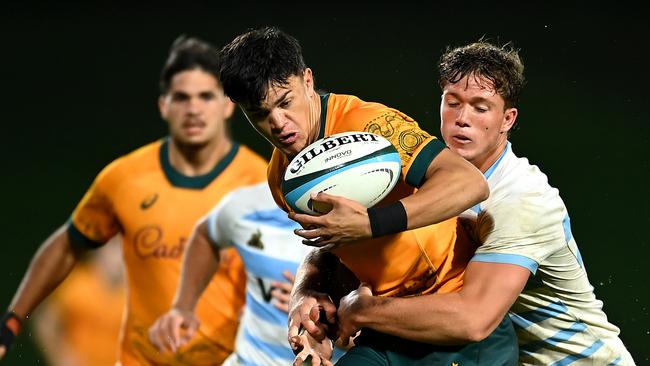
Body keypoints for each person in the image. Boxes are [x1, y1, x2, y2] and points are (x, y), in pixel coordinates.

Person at [218, 27, 518, 365]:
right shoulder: (282, 179)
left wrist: (371, 223)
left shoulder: (369, 125)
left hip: (448, 318)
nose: (278, 123)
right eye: (259, 113)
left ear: (307, 80)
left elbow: (468, 183)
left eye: (285, 102)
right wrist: (307, 298)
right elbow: (335, 249)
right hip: (386, 328)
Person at [327, 41, 637, 365]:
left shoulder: (522, 199)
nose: (462, 119)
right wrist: (309, 291)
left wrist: (362, 311)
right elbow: (356, 241)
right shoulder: (424, 176)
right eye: (453, 102)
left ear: (507, 119)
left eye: (480, 107)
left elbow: (472, 320)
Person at [0, 36, 268, 365]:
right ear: (164, 105)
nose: (194, 108)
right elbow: (67, 245)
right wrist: (12, 321)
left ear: (228, 104)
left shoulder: (261, 183)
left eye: (206, 96)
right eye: (181, 97)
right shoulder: (124, 179)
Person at [148, 182, 346, 365]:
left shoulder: (361, 211)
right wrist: (183, 306)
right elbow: (205, 236)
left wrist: (327, 309)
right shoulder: (247, 204)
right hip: (250, 359)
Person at [32, 236, 125, 366]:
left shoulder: (138, 295)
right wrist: (61, 358)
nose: (119, 256)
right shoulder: (76, 283)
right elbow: (45, 323)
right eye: (114, 248)